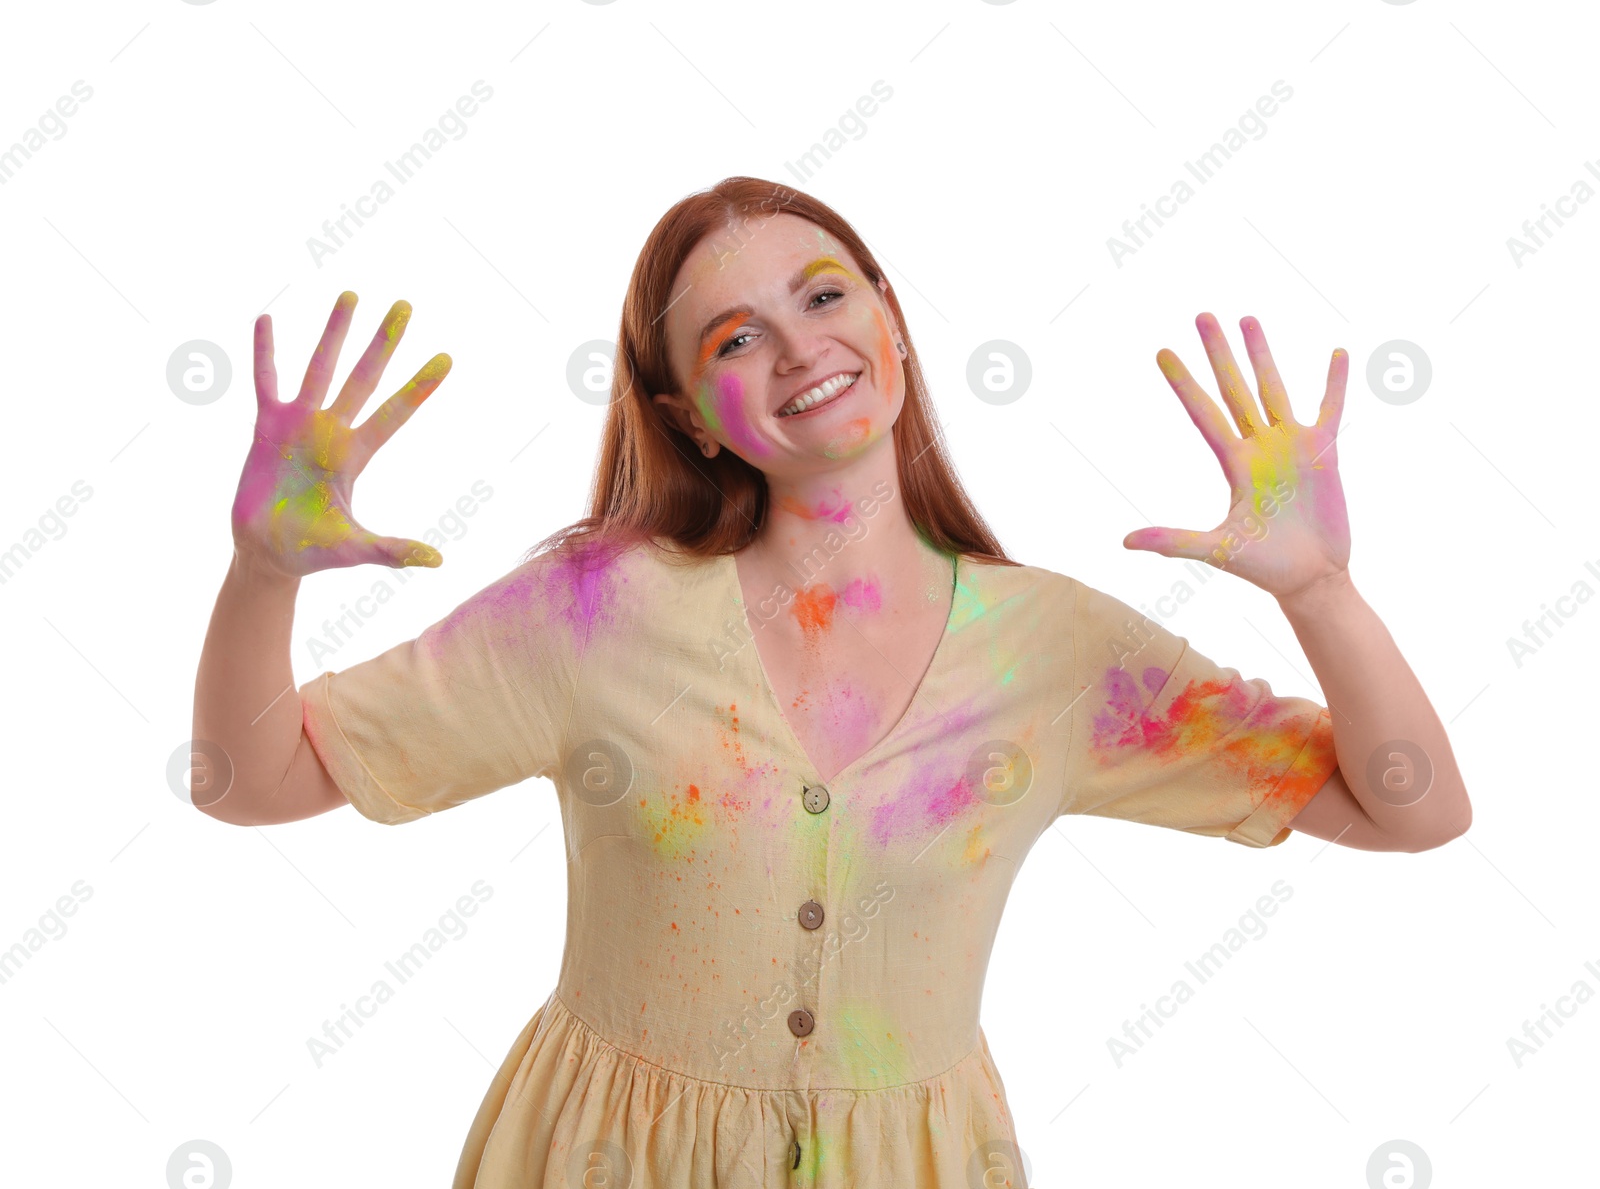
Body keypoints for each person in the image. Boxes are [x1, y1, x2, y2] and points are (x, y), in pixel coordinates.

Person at [191, 177, 1471, 1188]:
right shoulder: (593, 612)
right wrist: (261, 573)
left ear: (890, 321)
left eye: (823, 296)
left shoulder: (1055, 653)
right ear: (690, 415)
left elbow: (1411, 808)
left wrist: (1320, 591)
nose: (800, 347)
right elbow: (249, 784)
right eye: (736, 336)